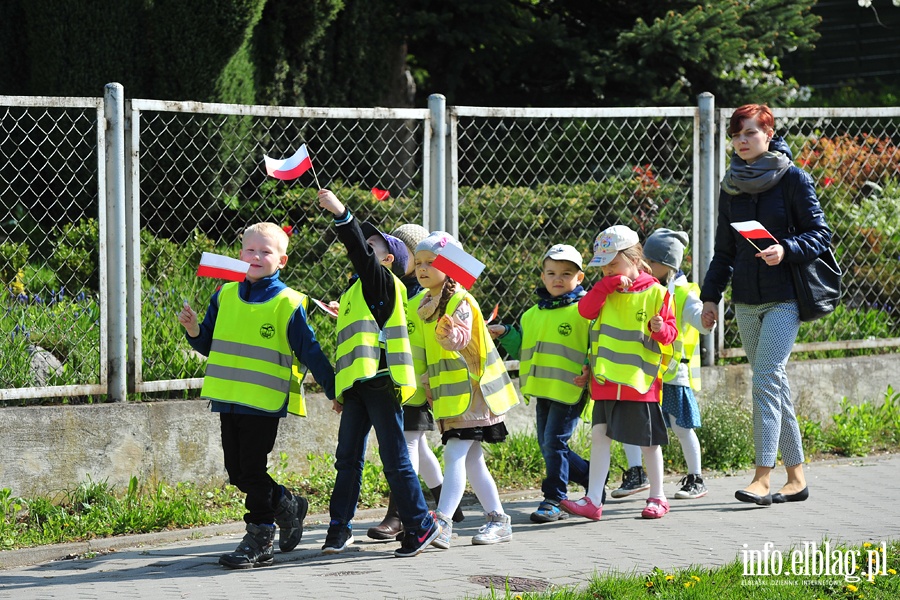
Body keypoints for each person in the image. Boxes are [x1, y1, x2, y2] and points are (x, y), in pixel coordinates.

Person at [177, 222, 336, 569]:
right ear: (239, 255)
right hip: (227, 397)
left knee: (251, 468)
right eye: (250, 250)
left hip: (263, 403)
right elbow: (208, 344)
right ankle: (287, 505)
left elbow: (311, 351)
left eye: (265, 252)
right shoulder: (225, 295)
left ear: (282, 261)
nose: (256, 256)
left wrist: (334, 389)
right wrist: (193, 330)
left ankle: (260, 535)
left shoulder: (288, 302)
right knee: (238, 473)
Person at [700, 104, 830, 506]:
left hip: (785, 297)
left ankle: (762, 477)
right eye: (736, 135)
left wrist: (784, 248)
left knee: (765, 378)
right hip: (746, 301)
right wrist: (710, 297)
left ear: (768, 135)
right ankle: (797, 478)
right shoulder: (731, 186)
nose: (742, 141)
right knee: (774, 385)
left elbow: (820, 235)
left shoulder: (794, 179)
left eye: (750, 133)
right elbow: (724, 251)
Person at [316, 189, 441, 558]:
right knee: (347, 458)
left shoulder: (382, 281)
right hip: (358, 387)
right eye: (364, 239)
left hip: (384, 381)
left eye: (371, 244)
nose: (363, 245)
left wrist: (342, 214)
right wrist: (342, 391)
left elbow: (356, 249)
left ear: (387, 259)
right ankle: (339, 529)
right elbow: (354, 344)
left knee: (394, 456)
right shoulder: (357, 290)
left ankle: (420, 524)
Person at [409, 231, 520, 547]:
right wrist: (428, 384)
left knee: (455, 453)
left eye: (431, 262)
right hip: (450, 398)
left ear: (452, 266)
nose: (423, 268)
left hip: (473, 393)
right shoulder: (424, 304)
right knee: (473, 460)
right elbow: (429, 353)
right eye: (419, 262)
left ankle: (442, 523)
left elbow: (461, 338)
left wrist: (452, 336)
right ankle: (498, 520)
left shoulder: (461, 300)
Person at [561, 225, 677, 521]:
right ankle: (593, 500)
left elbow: (671, 334)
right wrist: (605, 286)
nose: (608, 271)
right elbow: (584, 311)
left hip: (639, 382)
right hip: (606, 380)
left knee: (648, 442)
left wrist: (661, 329)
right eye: (603, 266)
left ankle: (658, 497)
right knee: (599, 437)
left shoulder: (657, 293)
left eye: (613, 264)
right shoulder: (605, 290)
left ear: (635, 258)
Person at [367, 223, 463, 541]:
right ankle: (447, 501)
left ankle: (400, 515)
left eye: (416, 256)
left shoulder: (427, 296)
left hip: (418, 382)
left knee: (404, 445)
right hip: (397, 377)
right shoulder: (388, 287)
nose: (391, 255)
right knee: (417, 444)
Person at [488, 244, 593, 523]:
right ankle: (592, 477)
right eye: (552, 272)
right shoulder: (532, 314)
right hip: (543, 388)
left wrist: (590, 369)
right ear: (543, 276)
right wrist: (505, 333)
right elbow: (524, 346)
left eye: (566, 273)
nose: (558, 278)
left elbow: (596, 346)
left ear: (579, 278)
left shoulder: (586, 309)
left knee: (554, 442)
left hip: (571, 389)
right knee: (548, 444)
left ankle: (555, 498)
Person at [642, 227, 714, 499]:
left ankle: (696, 478)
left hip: (673, 373)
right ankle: (638, 475)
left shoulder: (683, 292)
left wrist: (706, 321)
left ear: (668, 265)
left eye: (651, 262)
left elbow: (697, 315)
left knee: (682, 427)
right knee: (641, 425)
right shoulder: (647, 288)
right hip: (647, 371)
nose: (645, 266)